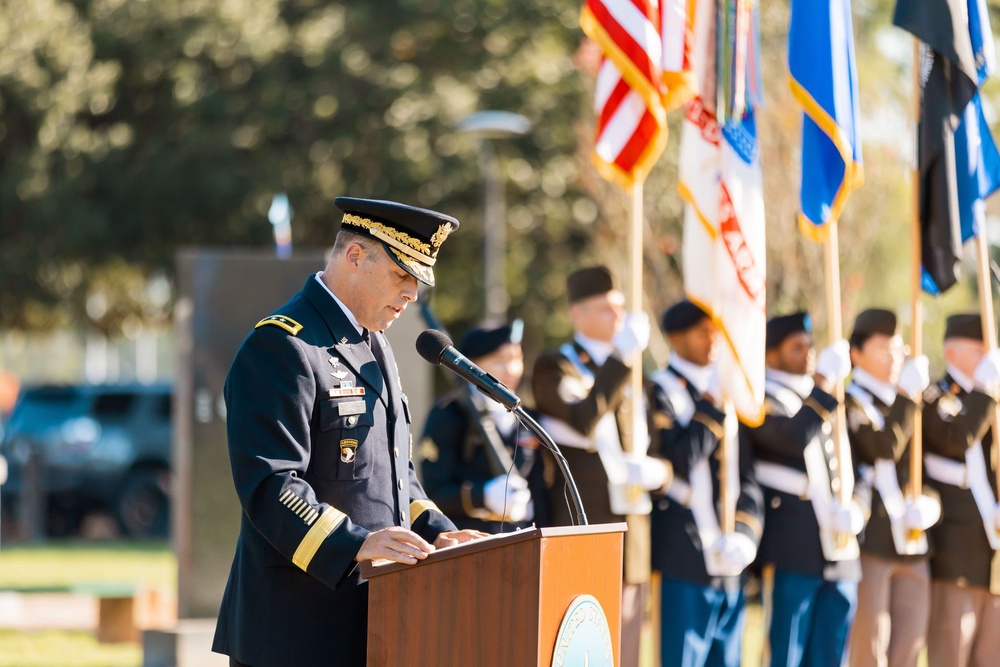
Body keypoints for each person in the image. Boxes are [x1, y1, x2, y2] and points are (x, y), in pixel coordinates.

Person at [212, 197, 485, 667]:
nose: (412, 294)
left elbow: (394, 476)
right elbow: (271, 484)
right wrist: (355, 542)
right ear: (355, 257)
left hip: (371, 621)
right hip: (295, 630)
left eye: (417, 282)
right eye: (403, 275)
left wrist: (439, 533)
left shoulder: (374, 345)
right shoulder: (283, 345)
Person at [531, 265, 670, 667]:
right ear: (577, 313)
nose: (619, 317)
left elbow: (653, 441)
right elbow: (584, 419)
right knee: (581, 642)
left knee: (628, 647)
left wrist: (660, 473)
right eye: (607, 308)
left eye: (621, 307)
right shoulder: (556, 365)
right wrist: (622, 356)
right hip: (583, 523)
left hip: (634, 526)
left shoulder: (633, 369)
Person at [743, 312, 868, 667]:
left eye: (810, 346)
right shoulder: (759, 400)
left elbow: (856, 468)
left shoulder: (829, 398)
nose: (808, 353)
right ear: (771, 355)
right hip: (792, 546)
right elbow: (794, 437)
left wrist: (857, 508)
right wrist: (826, 383)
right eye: (797, 347)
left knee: (831, 654)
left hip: (840, 550)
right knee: (785, 652)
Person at [647, 300, 763, 667]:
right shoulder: (658, 392)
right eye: (703, 333)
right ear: (676, 338)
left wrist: (746, 534)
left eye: (716, 333)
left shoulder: (730, 393)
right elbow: (680, 459)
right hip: (684, 554)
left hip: (730, 559)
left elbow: (747, 477)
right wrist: (711, 406)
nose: (713, 342)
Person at [844, 308, 939, 667]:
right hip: (874, 541)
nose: (894, 357)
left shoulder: (907, 402)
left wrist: (929, 503)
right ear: (856, 354)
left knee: (908, 651)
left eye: (899, 349)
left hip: (913, 543)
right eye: (884, 348)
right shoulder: (850, 401)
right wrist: (905, 395)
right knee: (870, 649)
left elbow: (927, 465)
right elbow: (883, 447)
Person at [419, 321, 550, 531]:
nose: (512, 369)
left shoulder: (527, 417)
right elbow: (434, 491)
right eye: (499, 361)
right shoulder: (449, 413)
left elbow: (541, 489)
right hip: (472, 539)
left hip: (524, 537)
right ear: (474, 366)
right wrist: (483, 496)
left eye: (517, 359)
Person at [922, 314, 1000, 667]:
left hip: (993, 555)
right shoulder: (934, 396)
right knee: (951, 653)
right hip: (957, 553)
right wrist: (983, 394)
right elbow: (955, 439)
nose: (987, 357)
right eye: (977, 349)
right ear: (951, 352)